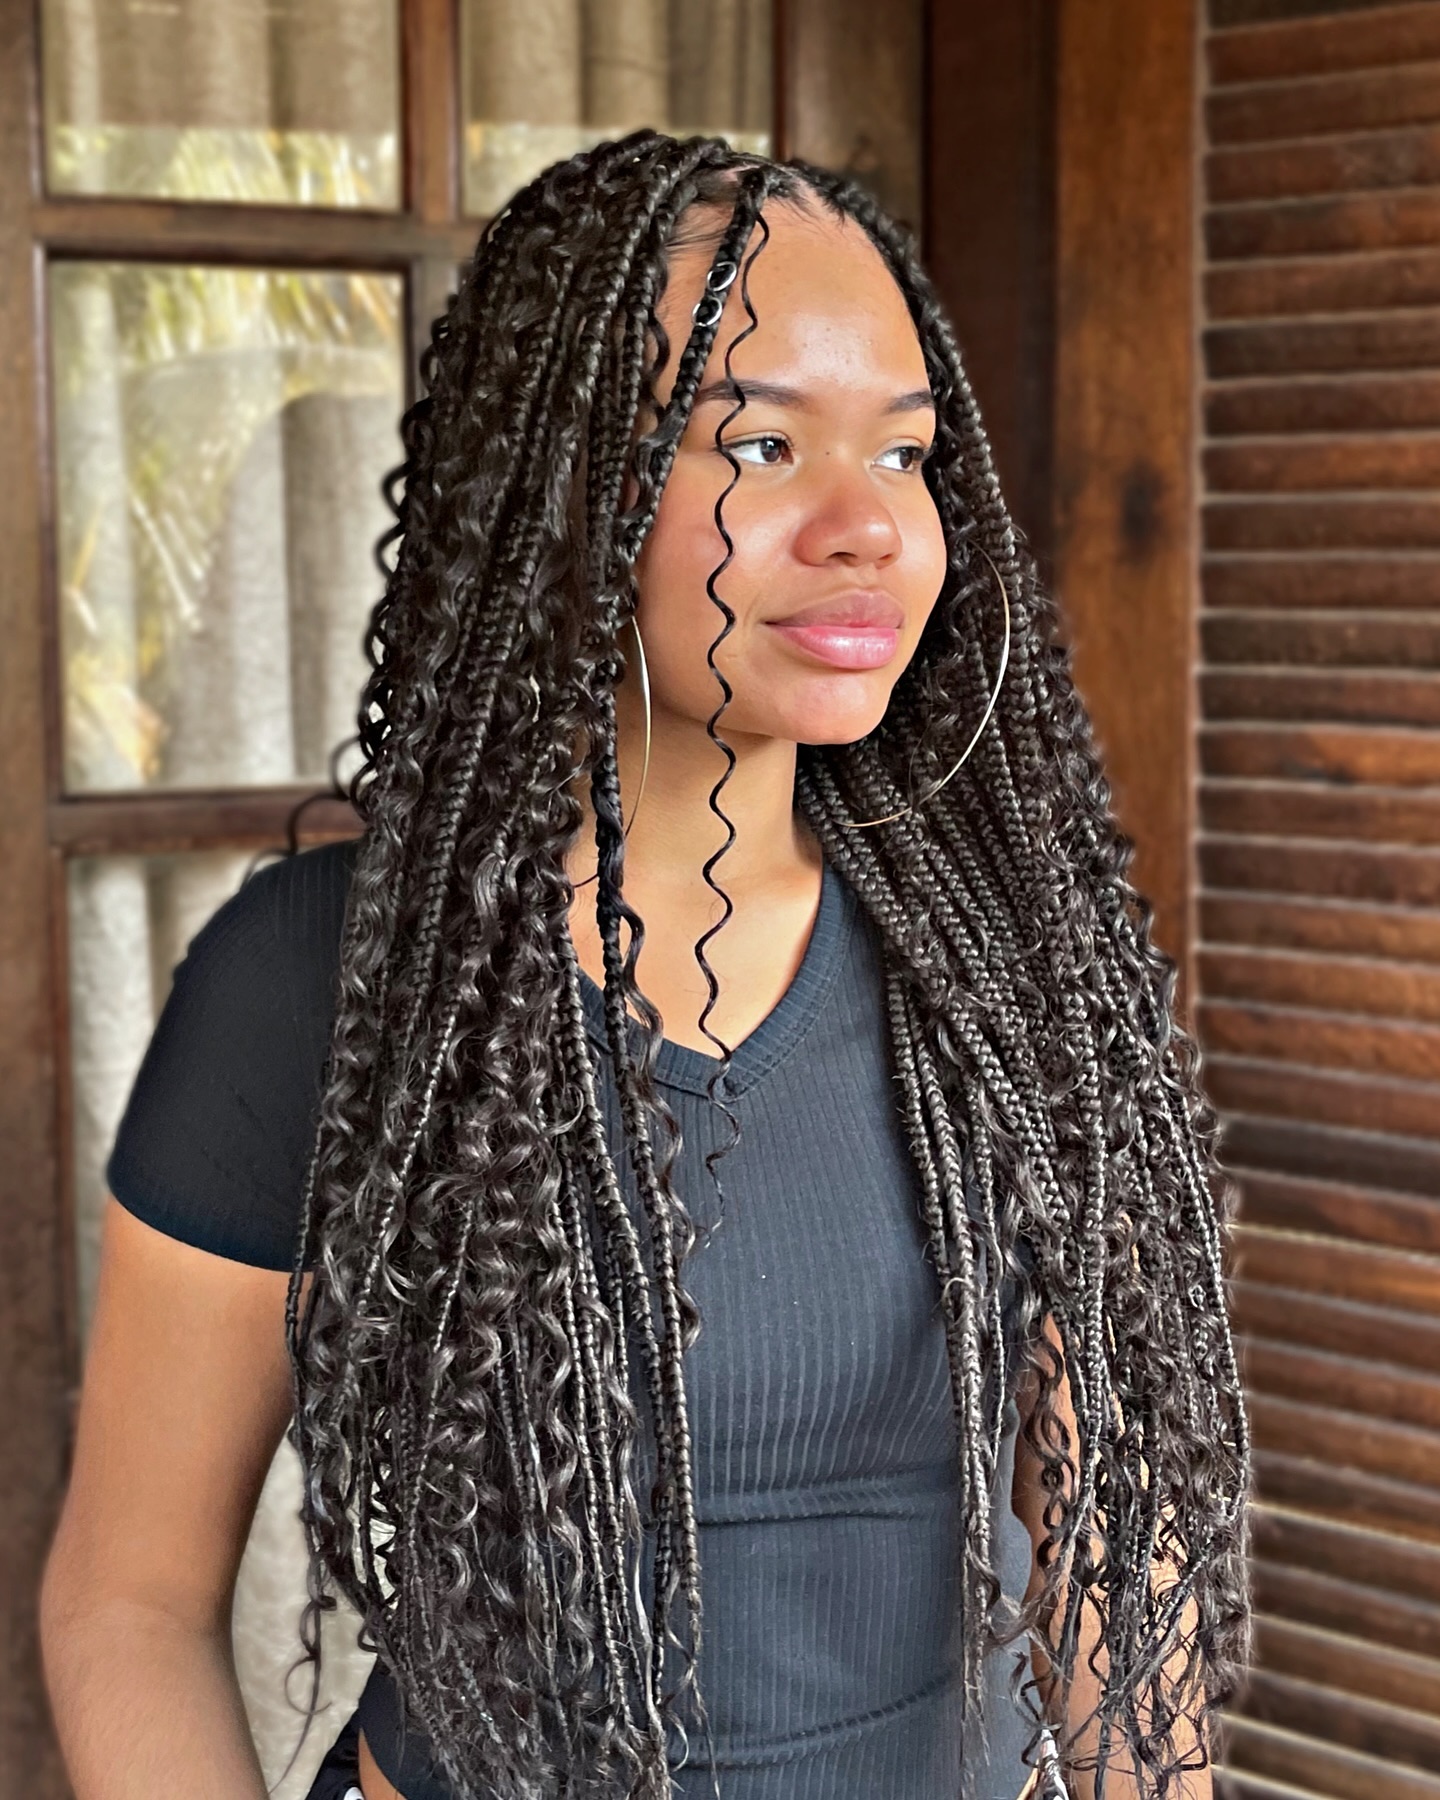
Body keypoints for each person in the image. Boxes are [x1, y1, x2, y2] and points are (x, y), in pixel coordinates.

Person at [39, 133, 1251, 1800]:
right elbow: (129, 1601)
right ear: (566, 483)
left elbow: (1127, 1581)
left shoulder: (1009, 975)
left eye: (906, 460)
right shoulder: (320, 985)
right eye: (757, 442)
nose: (866, 530)